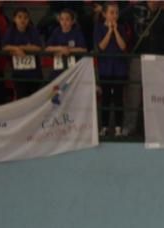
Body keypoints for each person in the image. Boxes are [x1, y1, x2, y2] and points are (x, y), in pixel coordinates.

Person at [95, 3, 131, 138]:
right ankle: (104, 127)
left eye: (116, 13)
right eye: (111, 12)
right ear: (104, 14)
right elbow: (101, 47)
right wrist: (109, 31)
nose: (114, 15)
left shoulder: (121, 28)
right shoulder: (98, 28)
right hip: (105, 68)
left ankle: (118, 127)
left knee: (118, 99)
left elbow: (123, 46)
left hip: (119, 69)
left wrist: (115, 31)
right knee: (105, 99)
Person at [3, 7, 43, 101]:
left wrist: (20, 48)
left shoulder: (32, 30)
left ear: (29, 19)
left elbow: (38, 47)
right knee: (21, 100)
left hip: (34, 74)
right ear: (14, 19)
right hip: (19, 74)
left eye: (25, 17)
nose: (22, 20)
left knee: (34, 100)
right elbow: (4, 46)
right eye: (19, 17)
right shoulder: (11, 31)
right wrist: (16, 49)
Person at [45, 8, 88, 72]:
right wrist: (61, 48)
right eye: (62, 19)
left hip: (74, 70)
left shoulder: (77, 32)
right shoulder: (56, 31)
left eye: (67, 19)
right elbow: (47, 48)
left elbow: (84, 49)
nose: (64, 22)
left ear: (73, 21)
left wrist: (69, 50)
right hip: (58, 70)